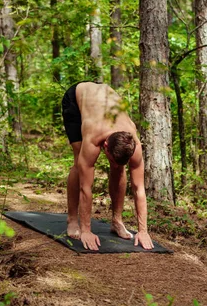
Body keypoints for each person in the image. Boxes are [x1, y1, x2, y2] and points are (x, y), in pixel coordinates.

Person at [62, 81, 154, 251]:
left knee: (119, 169)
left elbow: (139, 188)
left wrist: (143, 231)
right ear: (104, 146)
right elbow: (86, 188)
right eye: (110, 159)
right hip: (77, 98)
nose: (112, 164)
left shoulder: (134, 144)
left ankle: (117, 221)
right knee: (78, 163)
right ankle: (72, 219)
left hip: (105, 96)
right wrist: (86, 230)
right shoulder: (93, 137)